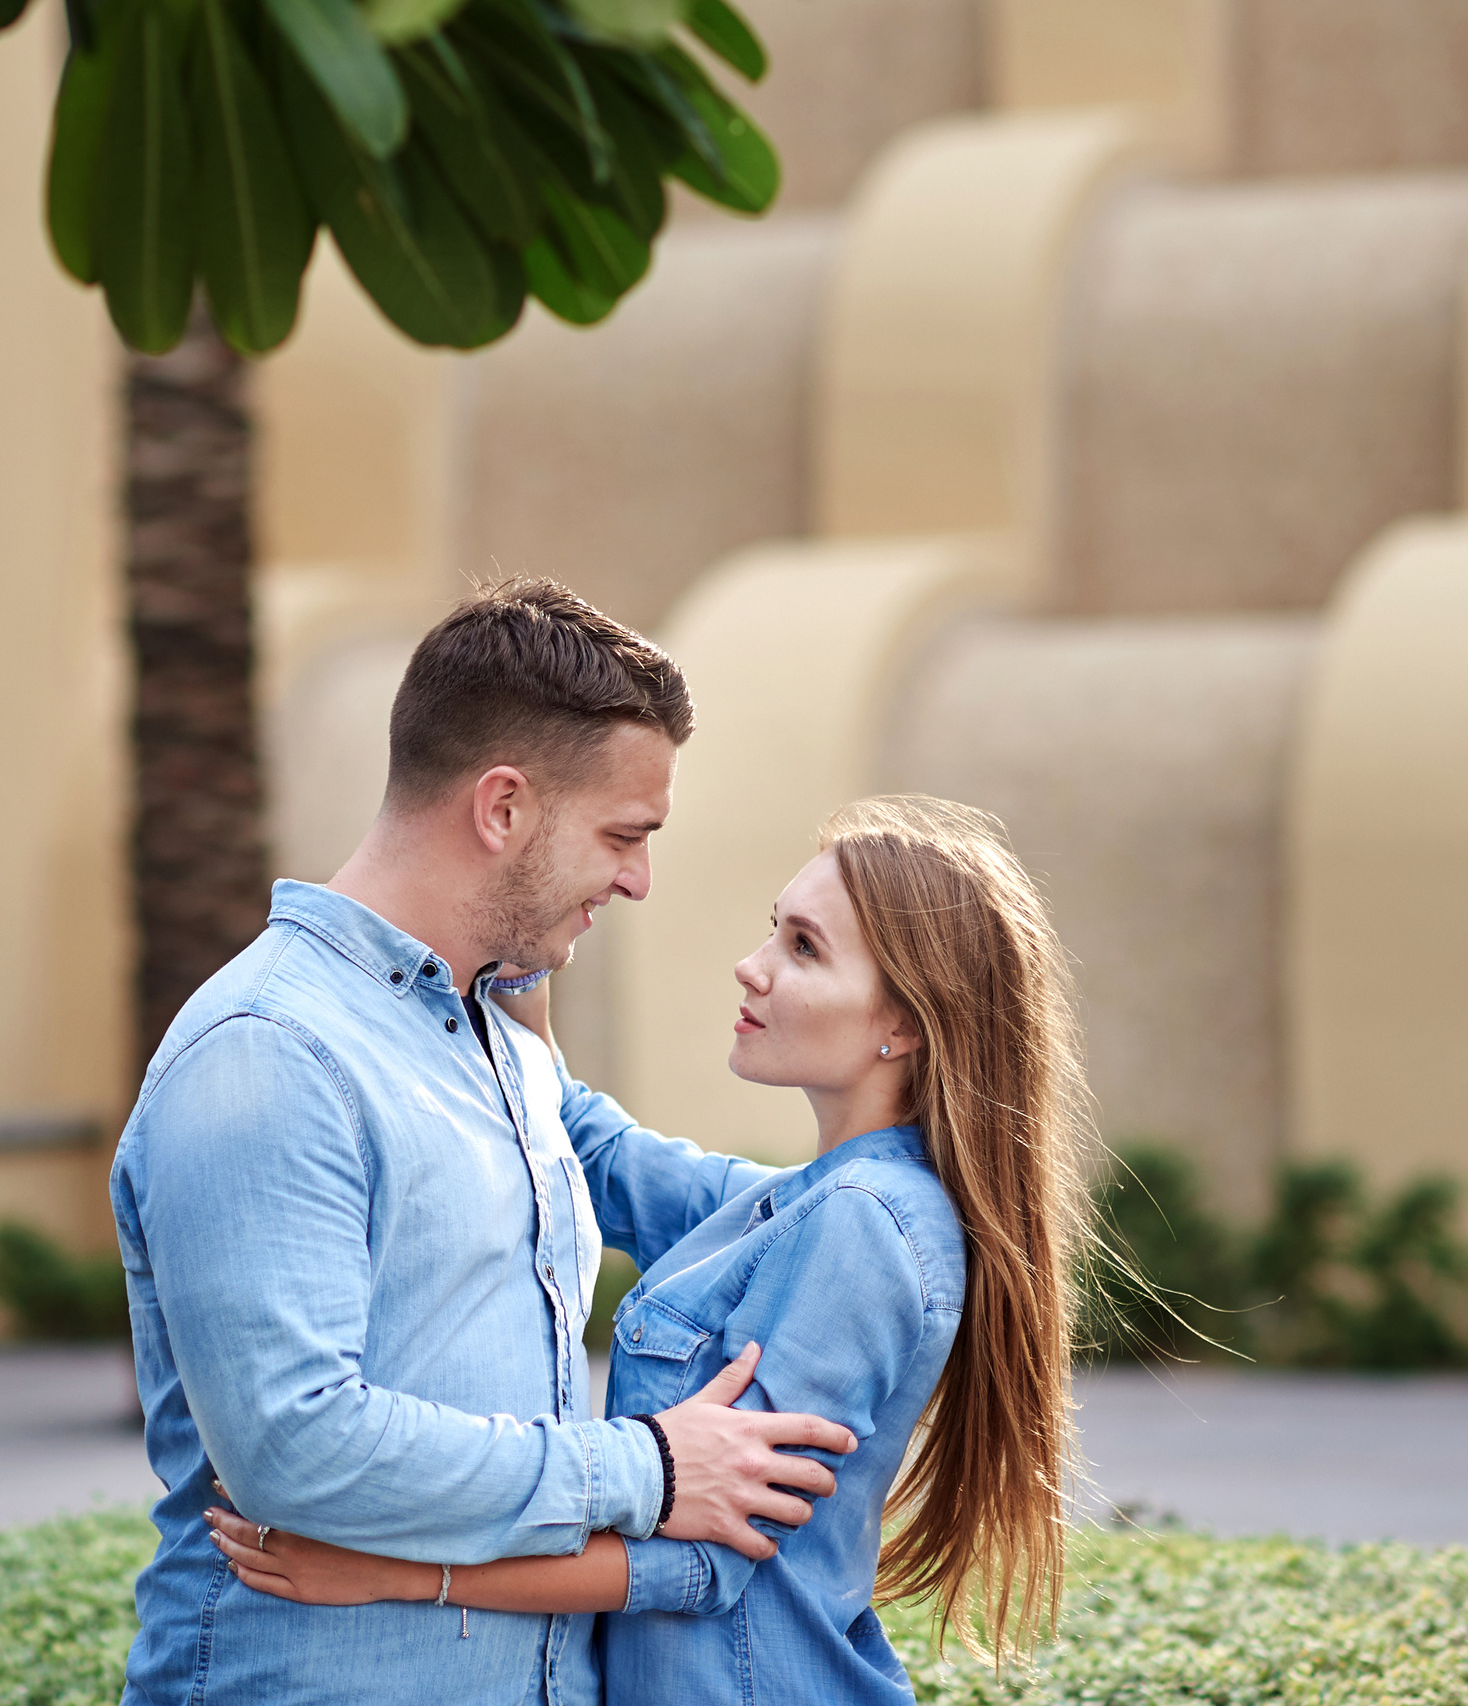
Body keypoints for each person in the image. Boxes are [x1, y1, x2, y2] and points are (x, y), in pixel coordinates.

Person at [109, 581, 860, 1706]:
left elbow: (651, 1180)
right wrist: (650, 1466)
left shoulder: (486, 1024)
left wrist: (893, 1187)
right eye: (622, 834)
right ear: (502, 807)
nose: (637, 879)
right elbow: (294, 1445)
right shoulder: (269, 1054)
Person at [208, 796, 1091, 1705]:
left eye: (803, 948)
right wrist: (514, 952)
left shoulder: (864, 1225)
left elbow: (705, 1561)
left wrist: (397, 1572)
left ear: (901, 1024)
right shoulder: (801, 1203)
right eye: (771, 932)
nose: (751, 968)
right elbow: (602, 1156)